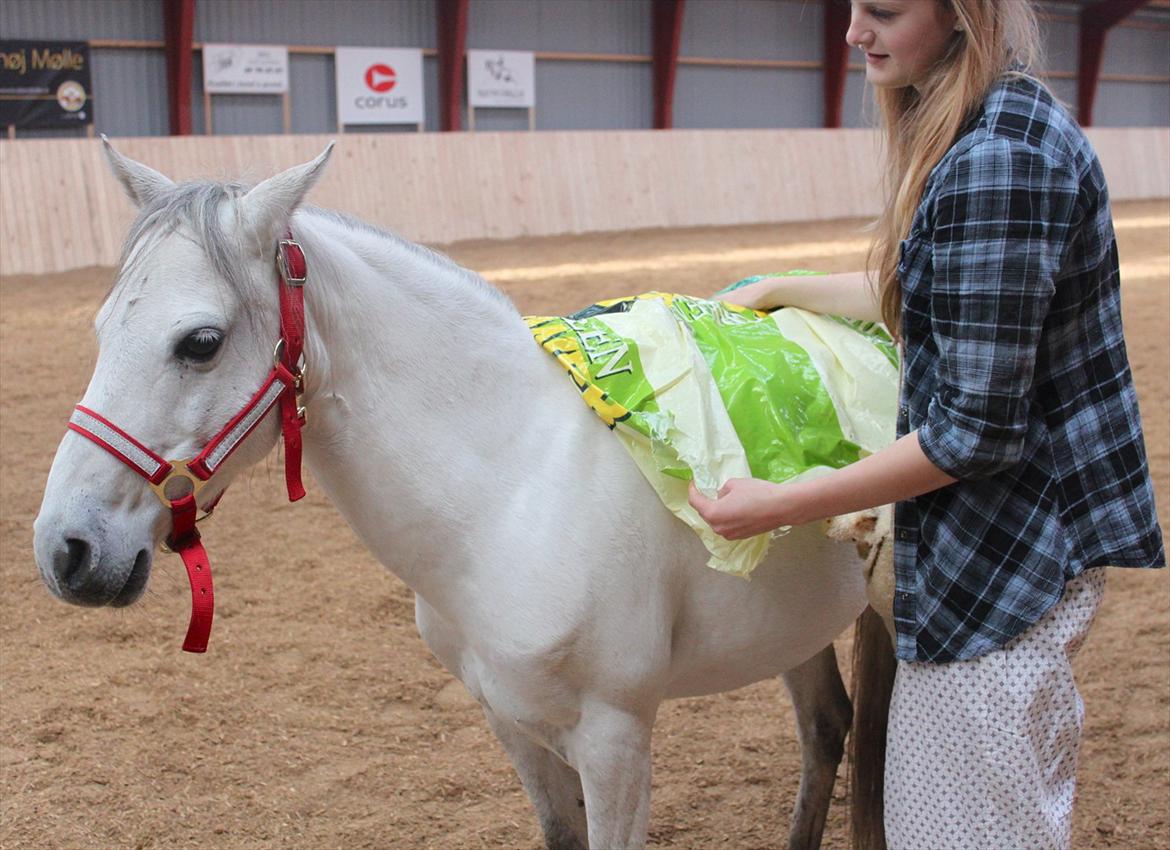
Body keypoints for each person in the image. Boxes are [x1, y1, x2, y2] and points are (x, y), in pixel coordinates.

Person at [687, 1, 1165, 848]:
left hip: (1005, 554)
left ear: (962, 14)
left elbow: (974, 433)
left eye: (885, 10)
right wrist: (785, 287)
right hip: (1008, 546)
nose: (853, 33)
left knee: (960, 827)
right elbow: (938, 292)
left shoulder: (996, 162)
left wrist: (782, 503)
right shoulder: (998, 121)